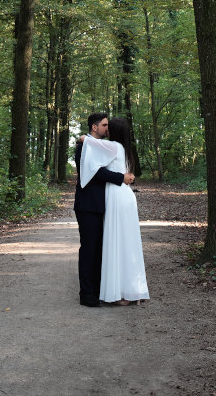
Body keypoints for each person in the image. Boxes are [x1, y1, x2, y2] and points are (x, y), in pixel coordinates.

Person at [79, 116, 149, 306]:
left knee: (118, 244)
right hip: (124, 195)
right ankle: (133, 290)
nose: (107, 128)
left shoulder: (112, 146)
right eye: (105, 125)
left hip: (117, 197)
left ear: (114, 131)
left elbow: (86, 141)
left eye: (109, 126)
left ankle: (124, 292)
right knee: (128, 244)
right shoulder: (124, 148)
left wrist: (82, 138)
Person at [73, 112, 133, 308]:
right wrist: (120, 178)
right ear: (94, 127)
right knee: (89, 249)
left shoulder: (104, 146)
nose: (108, 129)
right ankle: (86, 294)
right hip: (88, 205)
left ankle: (99, 289)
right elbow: (96, 172)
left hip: (104, 205)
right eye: (105, 125)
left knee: (100, 249)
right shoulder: (84, 147)